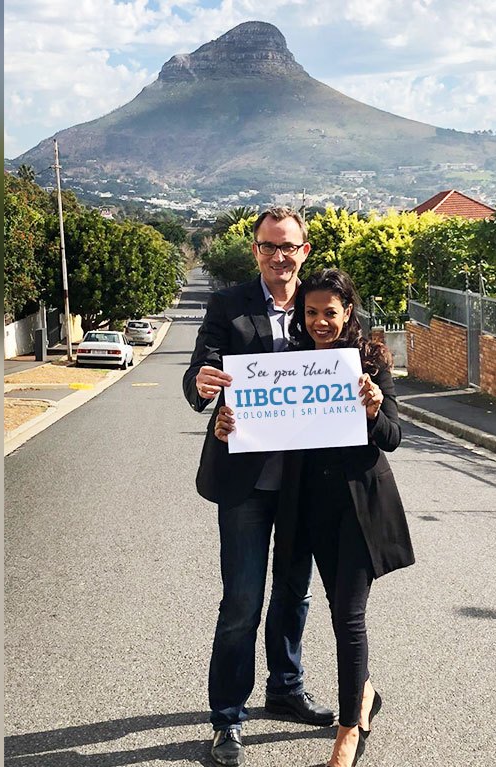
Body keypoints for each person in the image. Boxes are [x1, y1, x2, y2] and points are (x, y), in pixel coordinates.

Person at [215, 269, 415, 766]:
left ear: (348, 311)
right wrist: (229, 424)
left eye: (330, 312)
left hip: (357, 510)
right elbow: (261, 419)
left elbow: (393, 436)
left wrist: (373, 411)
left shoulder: (370, 361)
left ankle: (348, 733)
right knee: (297, 599)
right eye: (310, 312)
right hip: (305, 508)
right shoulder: (290, 362)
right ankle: (357, 694)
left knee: (348, 617)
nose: (320, 321)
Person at [183, 207, 334, 767]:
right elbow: (200, 370)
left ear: (304, 251)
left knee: (294, 593)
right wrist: (204, 388)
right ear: (256, 251)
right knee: (242, 601)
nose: (279, 256)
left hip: (303, 481)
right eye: (269, 246)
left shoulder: (321, 307)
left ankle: (285, 688)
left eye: (288, 246)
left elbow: (348, 365)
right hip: (244, 482)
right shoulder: (228, 305)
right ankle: (227, 717)